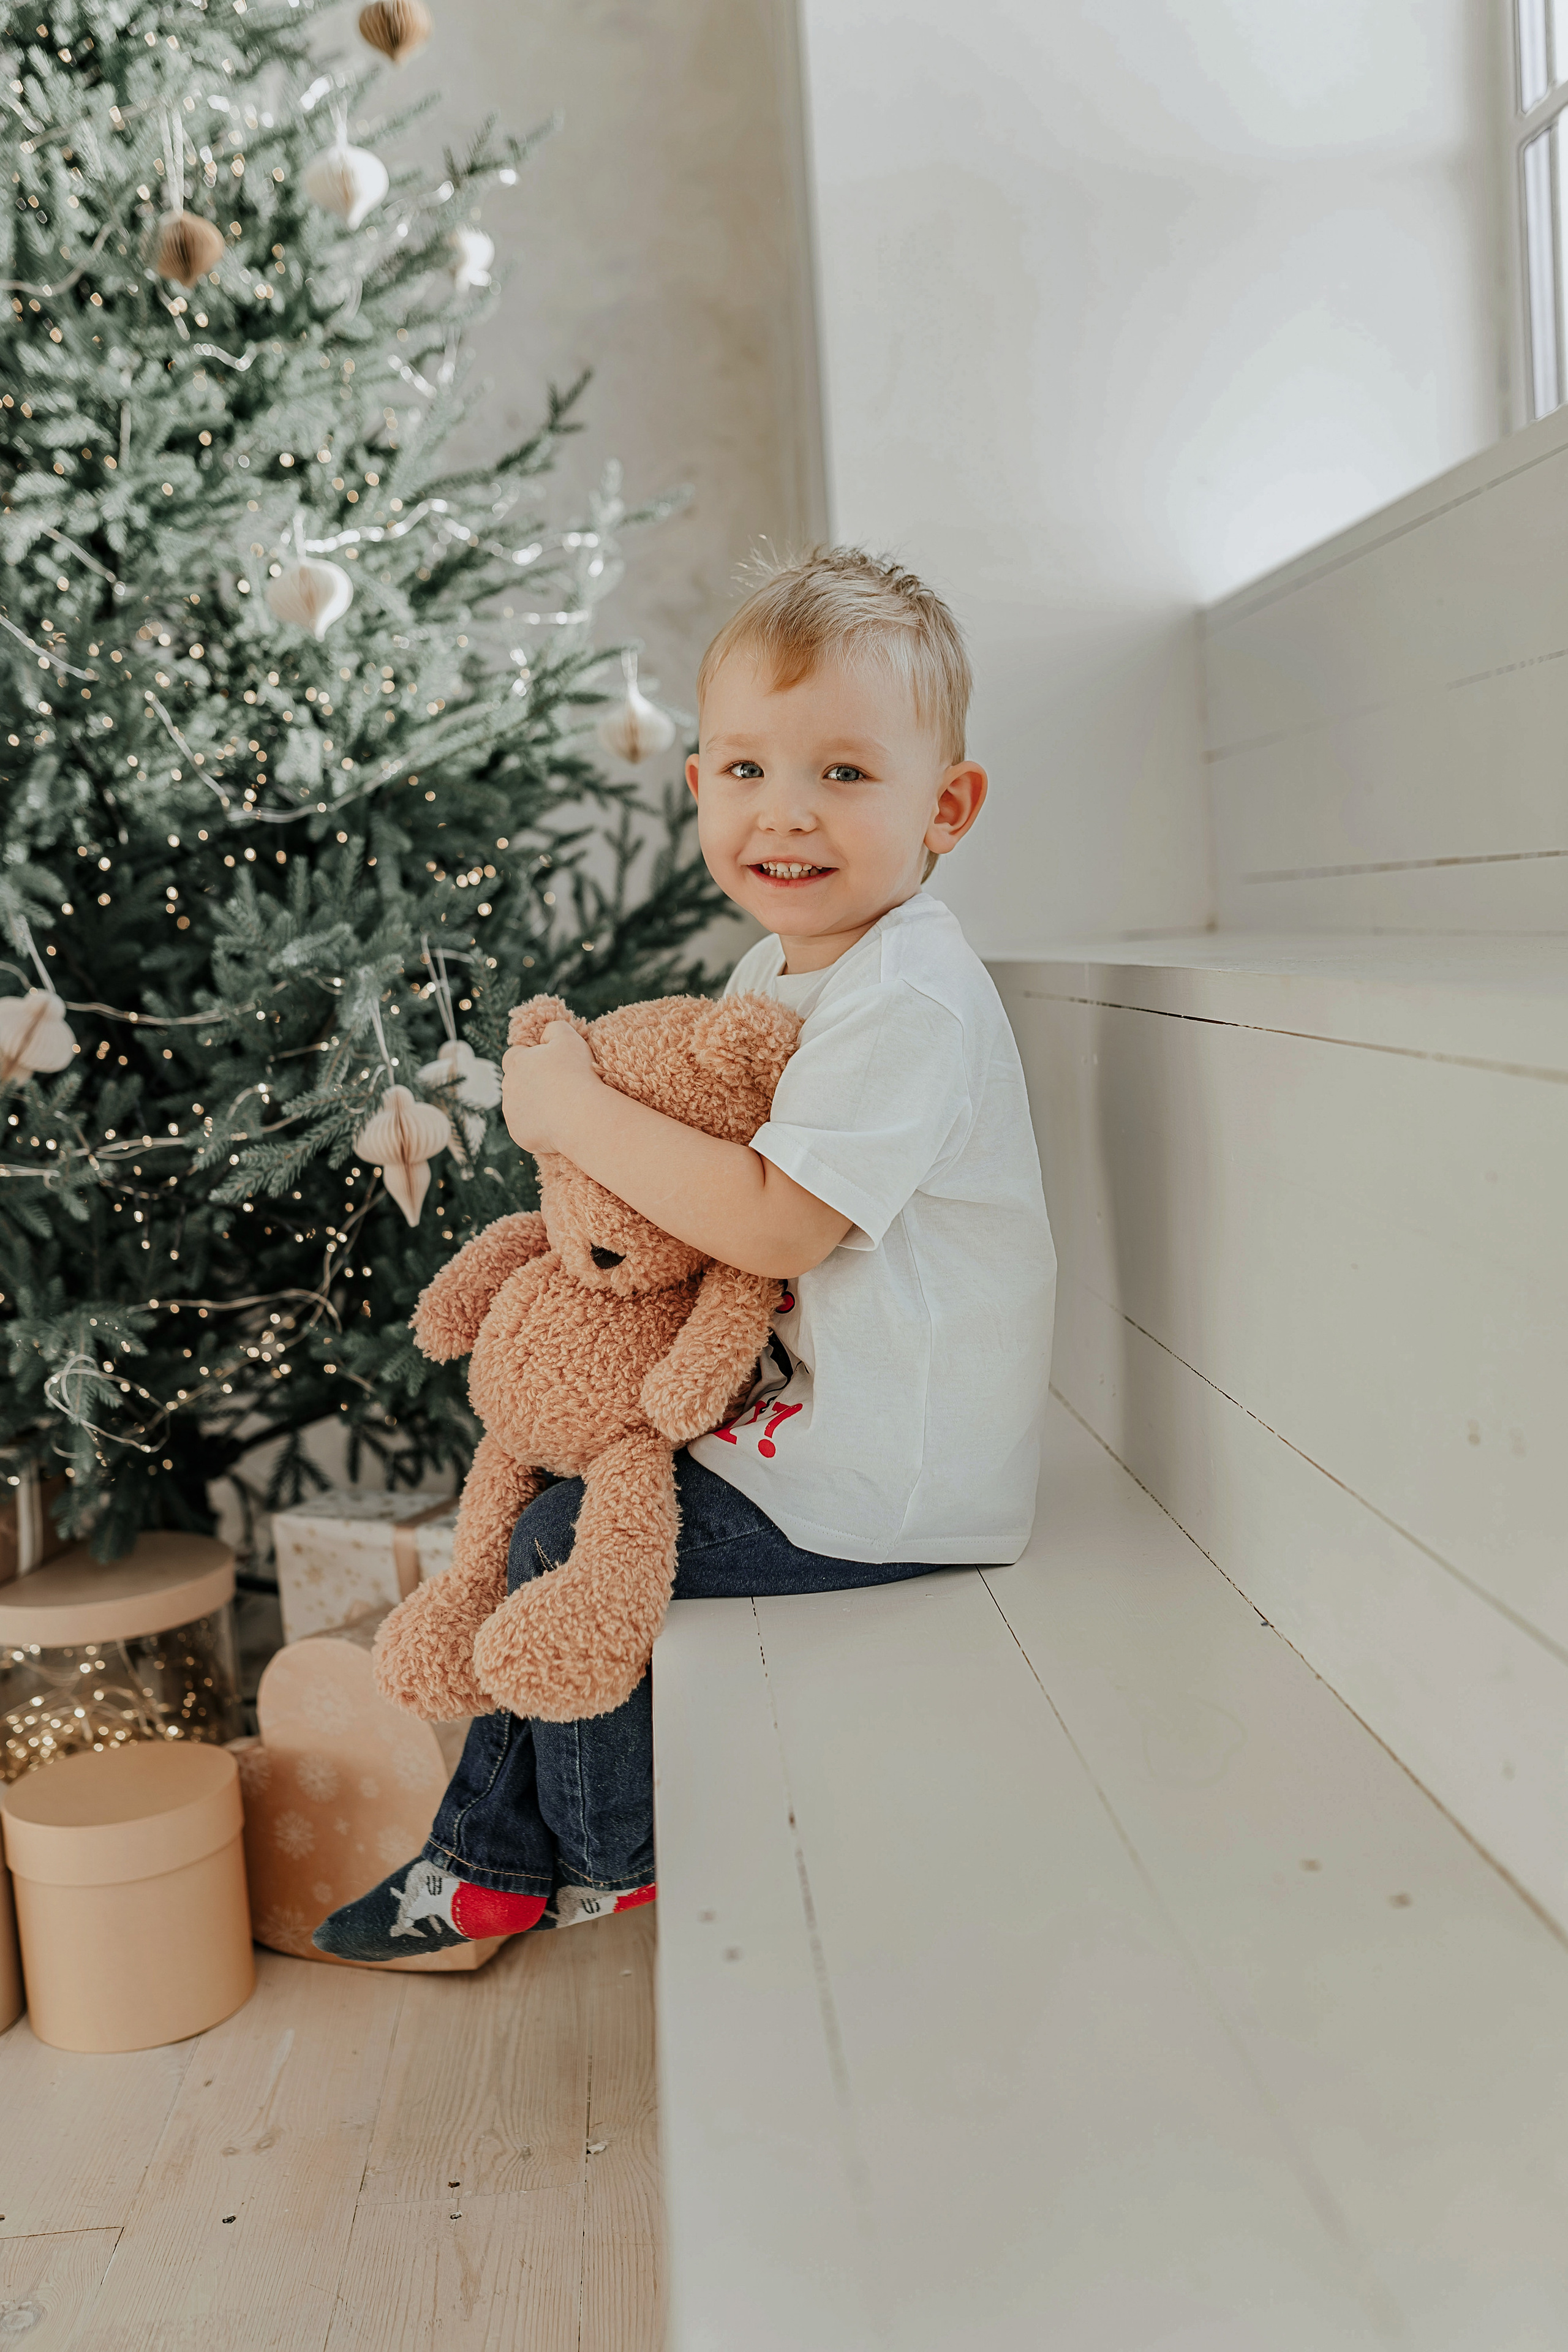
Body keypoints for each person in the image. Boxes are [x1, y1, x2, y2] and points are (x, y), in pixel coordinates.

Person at [314, 546, 1057, 1962]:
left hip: (887, 1477)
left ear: (943, 808)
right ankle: (488, 1863)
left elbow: (777, 1220)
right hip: (800, 1419)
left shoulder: (908, 1000)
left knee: (561, 1539)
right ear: (699, 780)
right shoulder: (780, 966)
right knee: (560, 1466)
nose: (784, 814)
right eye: (742, 771)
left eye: (844, 775)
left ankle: (591, 1858)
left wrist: (574, 1104)